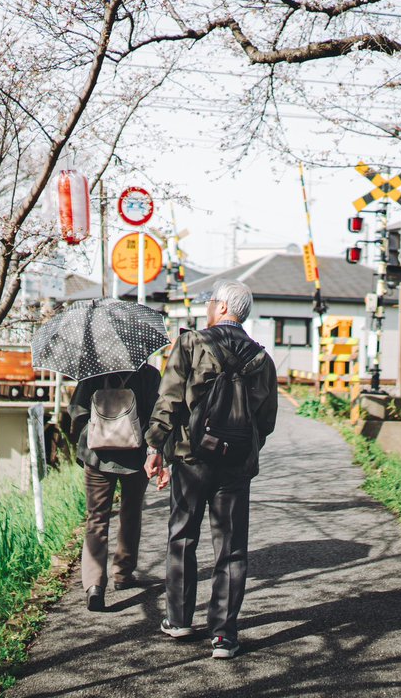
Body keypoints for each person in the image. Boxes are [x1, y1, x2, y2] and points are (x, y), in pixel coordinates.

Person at [145, 280, 278, 659]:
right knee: (231, 549)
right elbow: (265, 420)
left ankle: (180, 619)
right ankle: (223, 635)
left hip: (191, 458)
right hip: (235, 465)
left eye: (211, 302)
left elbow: (169, 400)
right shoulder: (262, 359)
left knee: (182, 536)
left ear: (221, 308)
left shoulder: (190, 344)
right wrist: (240, 448)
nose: (208, 308)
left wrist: (156, 446)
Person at [69, 361, 161, 611]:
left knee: (96, 518)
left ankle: (94, 585)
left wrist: (93, 430)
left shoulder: (92, 372)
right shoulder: (149, 374)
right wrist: (155, 451)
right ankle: (122, 572)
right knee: (131, 513)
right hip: (136, 457)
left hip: (97, 456)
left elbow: (76, 411)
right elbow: (157, 416)